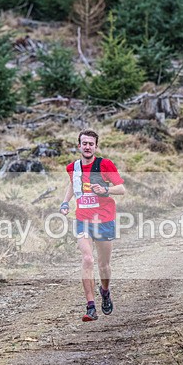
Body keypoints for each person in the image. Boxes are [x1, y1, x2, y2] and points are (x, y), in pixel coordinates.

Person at [60, 130, 125, 322]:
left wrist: (105, 189)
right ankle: (90, 307)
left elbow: (121, 188)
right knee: (87, 259)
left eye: (91, 144)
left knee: (104, 266)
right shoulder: (73, 168)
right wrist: (65, 202)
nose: (87, 147)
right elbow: (73, 184)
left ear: (96, 146)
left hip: (104, 220)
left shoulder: (104, 165)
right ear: (79, 145)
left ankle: (104, 291)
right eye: (84, 143)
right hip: (83, 220)